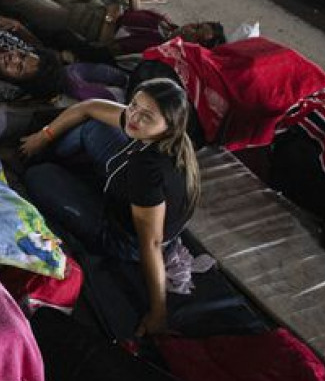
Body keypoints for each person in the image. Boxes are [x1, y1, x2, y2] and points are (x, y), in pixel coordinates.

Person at [17, 80, 201, 336]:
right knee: (92, 126)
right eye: (134, 105)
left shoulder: (147, 170)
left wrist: (158, 312)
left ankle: (50, 168)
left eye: (146, 116)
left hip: (122, 238)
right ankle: (49, 156)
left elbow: (152, 243)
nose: (133, 117)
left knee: (39, 175)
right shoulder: (162, 133)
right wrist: (43, 135)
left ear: (169, 125)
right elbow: (89, 107)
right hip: (127, 187)